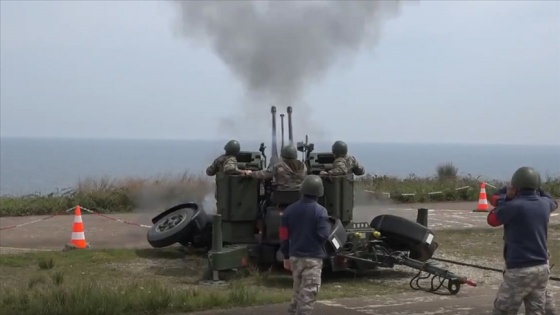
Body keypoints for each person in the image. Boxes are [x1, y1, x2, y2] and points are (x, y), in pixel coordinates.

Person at [487, 166, 558, 315]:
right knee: (537, 310)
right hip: (541, 268)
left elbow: (492, 219)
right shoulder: (545, 204)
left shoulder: (512, 206)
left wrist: (506, 198)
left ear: (515, 186)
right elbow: (553, 201)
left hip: (519, 269)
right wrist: (540, 189)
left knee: (503, 310)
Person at [279, 175, 331, 315]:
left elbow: (284, 235)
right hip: (313, 258)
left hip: (295, 257)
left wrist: (285, 256)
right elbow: (323, 235)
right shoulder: (320, 211)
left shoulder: (289, 210)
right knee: (308, 295)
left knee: (297, 293)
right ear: (319, 191)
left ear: (302, 190)